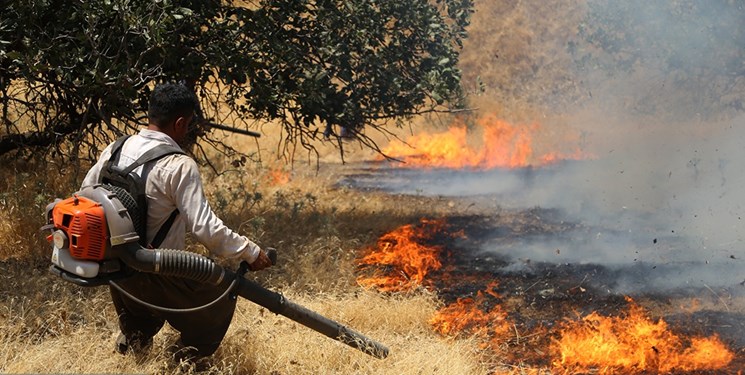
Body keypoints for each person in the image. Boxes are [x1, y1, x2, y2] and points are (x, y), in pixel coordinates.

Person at [81, 82, 273, 359]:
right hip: (155, 271)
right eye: (191, 123)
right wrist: (251, 252)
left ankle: (134, 346)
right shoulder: (179, 165)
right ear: (181, 122)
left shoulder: (116, 148)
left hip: (116, 271)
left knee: (139, 323)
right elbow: (205, 227)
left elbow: (86, 196)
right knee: (219, 299)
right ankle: (183, 361)